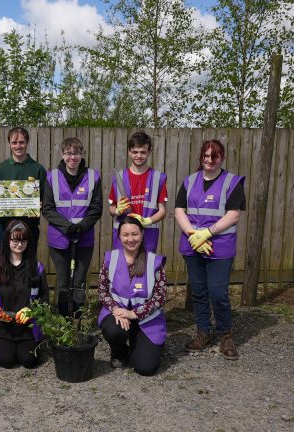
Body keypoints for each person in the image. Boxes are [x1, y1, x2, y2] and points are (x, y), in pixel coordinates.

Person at [175, 139, 245, 360]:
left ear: (221, 158)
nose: (209, 161)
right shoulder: (190, 181)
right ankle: (203, 331)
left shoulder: (232, 182)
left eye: (214, 156)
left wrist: (208, 232)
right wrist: (192, 234)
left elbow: (234, 214)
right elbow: (179, 210)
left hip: (219, 247)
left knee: (218, 293)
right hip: (193, 245)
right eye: (206, 156)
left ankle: (225, 334)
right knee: (199, 291)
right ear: (201, 157)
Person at [97, 216, 167, 376]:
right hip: (119, 315)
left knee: (146, 368)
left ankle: (143, 343)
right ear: (119, 236)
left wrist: (134, 314)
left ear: (142, 234)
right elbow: (102, 291)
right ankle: (119, 352)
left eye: (134, 234)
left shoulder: (155, 262)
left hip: (147, 318)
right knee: (113, 330)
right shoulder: (110, 259)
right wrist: (115, 309)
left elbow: (160, 297)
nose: (130, 239)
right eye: (125, 235)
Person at [41, 137, 103, 317]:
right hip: (59, 237)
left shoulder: (93, 176)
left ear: (81, 154)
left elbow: (96, 208)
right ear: (62, 155)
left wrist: (82, 226)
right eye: (68, 153)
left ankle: (77, 318)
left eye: (76, 153)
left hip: (84, 237)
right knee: (62, 281)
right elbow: (48, 209)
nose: (72, 157)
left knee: (79, 280)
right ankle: (63, 319)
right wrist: (67, 227)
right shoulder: (51, 177)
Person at [0, 220, 49, 369]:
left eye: (23, 240)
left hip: (28, 329)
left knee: (28, 361)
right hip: (3, 329)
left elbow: (44, 298)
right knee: (6, 361)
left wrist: (32, 310)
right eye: (15, 240)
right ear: (7, 239)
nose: (19, 244)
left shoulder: (36, 268)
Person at [108, 131, 168, 252]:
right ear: (129, 152)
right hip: (124, 235)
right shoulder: (118, 178)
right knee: (123, 269)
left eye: (143, 152)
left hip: (148, 234)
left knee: (146, 269)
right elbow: (111, 209)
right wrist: (117, 211)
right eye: (135, 152)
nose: (138, 156)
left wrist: (148, 221)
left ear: (149, 152)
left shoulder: (158, 178)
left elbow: (162, 211)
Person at [0, 127, 46, 253]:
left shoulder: (38, 169)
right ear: (9, 144)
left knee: (28, 265)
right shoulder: (0, 170)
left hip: (30, 227)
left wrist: (40, 205)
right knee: (4, 265)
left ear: (27, 143)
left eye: (21, 142)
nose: (18, 146)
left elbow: (45, 199)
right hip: (5, 227)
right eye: (14, 143)